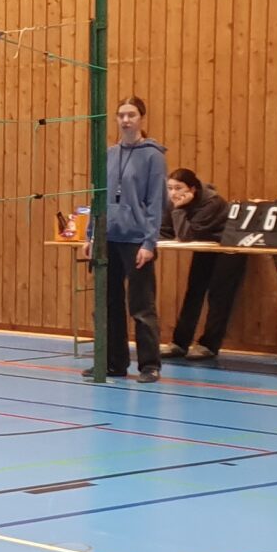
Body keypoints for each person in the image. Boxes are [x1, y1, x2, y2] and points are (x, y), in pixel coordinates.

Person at [85, 96, 167, 383]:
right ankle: (112, 362)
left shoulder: (153, 156)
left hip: (136, 240)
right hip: (109, 237)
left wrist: (149, 243)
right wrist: (91, 234)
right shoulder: (109, 153)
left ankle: (149, 365)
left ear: (141, 118)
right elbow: (98, 197)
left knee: (141, 306)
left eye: (131, 114)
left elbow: (156, 201)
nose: (126, 120)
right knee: (108, 304)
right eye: (121, 115)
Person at [160, 167, 243, 361]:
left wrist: (179, 209)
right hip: (206, 246)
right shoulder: (171, 201)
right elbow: (166, 229)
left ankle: (209, 344)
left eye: (178, 188)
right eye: (170, 188)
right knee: (194, 292)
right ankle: (180, 342)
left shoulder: (212, 202)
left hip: (229, 247)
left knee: (219, 296)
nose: (173, 193)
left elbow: (187, 235)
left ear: (192, 189)